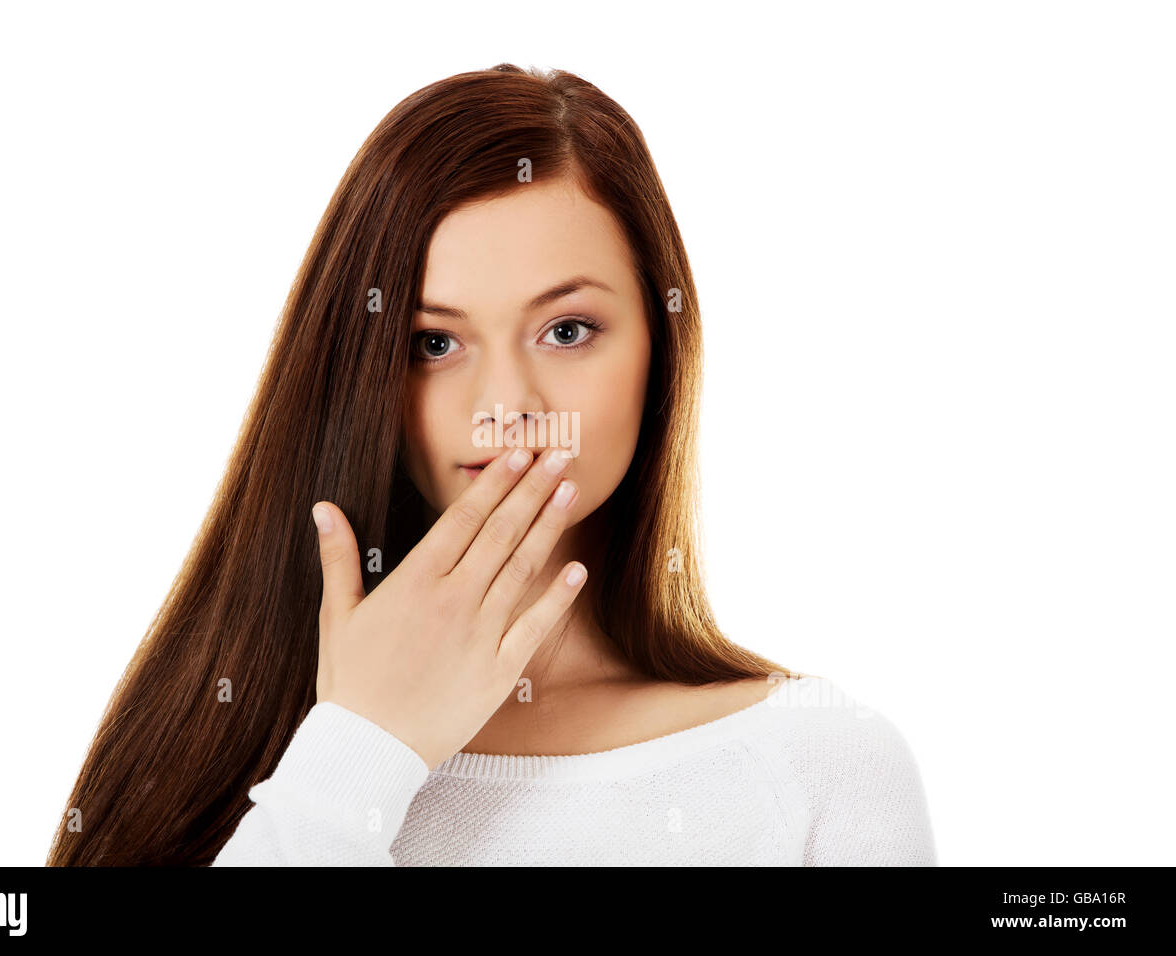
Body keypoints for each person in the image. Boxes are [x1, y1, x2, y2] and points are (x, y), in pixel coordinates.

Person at [48, 63, 937, 867]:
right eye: (435, 342)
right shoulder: (223, 748)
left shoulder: (820, 767)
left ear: (661, 351)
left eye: (566, 331)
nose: (507, 406)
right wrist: (359, 748)